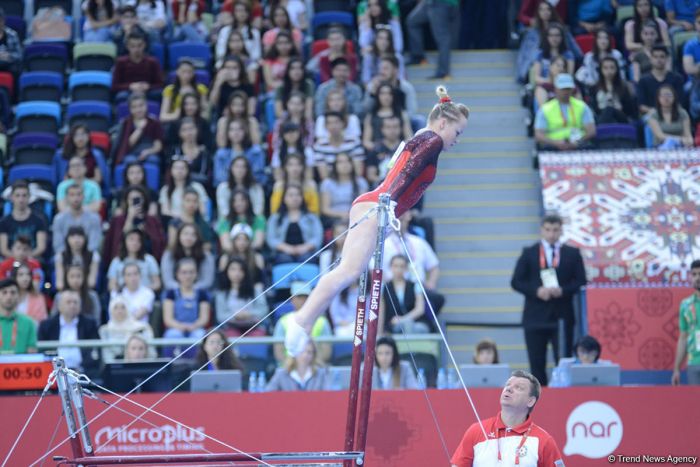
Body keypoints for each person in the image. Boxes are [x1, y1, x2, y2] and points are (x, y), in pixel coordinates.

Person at [286, 86, 469, 355]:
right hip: (376, 207)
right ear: (443, 123)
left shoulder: (423, 136)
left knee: (348, 270)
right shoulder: (432, 141)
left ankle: (304, 320)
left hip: (372, 204)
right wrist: (389, 203)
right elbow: (407, 172)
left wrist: (445, 102)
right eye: (458, 131)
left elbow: (401, 163)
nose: (457, 138)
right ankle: (301, 320)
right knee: (348, 271)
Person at [510, 214, 587, 386]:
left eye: (555, 230)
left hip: (562, 317)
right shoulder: (529, 253)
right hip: (535, 317)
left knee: (564, 361)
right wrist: (537, 291)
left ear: (561, 230)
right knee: (536, 364)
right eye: (548, 230)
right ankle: (540, 399)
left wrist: (562, 290)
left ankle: (564, 398)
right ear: (541, 230)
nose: (551, 234)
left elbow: (581, 280)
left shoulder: (572, 254)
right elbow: (516, 281)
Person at [450, 370, 564, 466]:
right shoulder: (476, 431)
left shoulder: (543, 440)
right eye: (508, 385)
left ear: (530, 401)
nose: (509, 389)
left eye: (518, 387)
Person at [38, 290, 100, 376]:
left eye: (75, 302)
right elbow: (41, 352)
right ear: (59, 306)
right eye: (68, 302)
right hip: (53, 373)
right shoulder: (47, 325)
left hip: (82, 373)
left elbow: (94, 352)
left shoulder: (89, 324)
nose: (72, 305)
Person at [103, 185, 167, 264]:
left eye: (138, 198)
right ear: (126, 201)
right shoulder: (117, 220)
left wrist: (144, 232)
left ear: (144, 200)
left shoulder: (152, 220)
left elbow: (158, 243)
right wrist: (130, 218)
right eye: (131, 199)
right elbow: (117, 242)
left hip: (148, 260)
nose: (134, 201)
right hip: (123, 261)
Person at [534, 73, 597, 151]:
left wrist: (577, 142)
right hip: (553, 147)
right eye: (563, 88)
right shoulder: (545, 109)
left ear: (572, 89)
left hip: (579, 145)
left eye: (568, 88)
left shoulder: (582, 106)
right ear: (556, 89)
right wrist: (555, 143)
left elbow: (591, 131)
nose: (566, 91)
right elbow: (539, 135)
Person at [274, 282, 332, 363]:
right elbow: (278, 351)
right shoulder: (283, 321)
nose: (303, 300)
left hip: (315, 369)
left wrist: (311, 368)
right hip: (289, 370)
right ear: (292, 299)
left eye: (306, 297)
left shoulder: (322, 321)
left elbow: (326, 351)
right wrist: (293, 368)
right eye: (299, 297)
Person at [266, 184, 323, 264]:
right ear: (284, 199)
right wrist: (286, 248)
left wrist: (305, 247)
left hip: (306, 251)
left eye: (298, 195)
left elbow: (317, 238)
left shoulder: (312, 217)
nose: (294, 198)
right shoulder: (275, 218)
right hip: (283, 252)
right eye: (291, 195)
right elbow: (271, 239)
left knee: (307, 259)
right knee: (284, 259)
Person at [162, 258, 211, 351]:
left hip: (195, 328)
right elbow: (168, 319)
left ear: (196, 274)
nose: (188, 276)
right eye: (184, 272)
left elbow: (204, 318)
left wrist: (193, 326)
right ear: (177, 274)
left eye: (191, 272)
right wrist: (180, 326)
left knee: (200, 335)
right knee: (173, 335)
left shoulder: (202, 294)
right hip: (176, 327)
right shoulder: (170, 294)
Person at [215, 257, 268, 337]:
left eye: (240, 270)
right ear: (227, 272)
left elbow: (263, 310)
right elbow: (220, 316)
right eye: (233, 269)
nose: (237, 273)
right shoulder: (221, 294)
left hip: (254, 326)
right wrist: (235, 315)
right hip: (230, 327)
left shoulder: (256, 291)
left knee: (258, 337)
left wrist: (248, 314)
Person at [406, 0, 459, 79]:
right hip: (430, 3)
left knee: (443, 37)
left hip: (441, 3)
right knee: (412, 21)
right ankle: (418, 56)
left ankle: (443, 72)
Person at [113, 93, 165, 168]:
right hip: (131, 153)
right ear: (130, 109)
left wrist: (148, 152)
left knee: (153, 160)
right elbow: (127, 145)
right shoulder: (126, 123)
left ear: (146, 105)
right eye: (134, 107)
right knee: (129, 161)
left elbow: (158, 146)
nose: (138, 110)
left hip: (149, 152)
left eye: (141, 106)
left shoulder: (154, 122)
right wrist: (139, 129)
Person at [379, 254, 428, 335]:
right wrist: (379, 334)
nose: (398, 269)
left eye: (402, 266)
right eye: (395, 266)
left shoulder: (415, 285)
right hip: (393, 326)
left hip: (416, 323)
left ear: (406, 269)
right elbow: (381, 312)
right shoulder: (384, 288)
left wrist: (403, 319)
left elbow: (420, 309)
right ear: (390, 267)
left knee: (408, 325)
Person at [0, 180, 48, 259]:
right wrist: (17, 259)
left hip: (32, 258)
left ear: (29, 197)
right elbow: (4, 249)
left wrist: (27, 257)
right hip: (11, 259)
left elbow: (41, 247)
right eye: (17, 195)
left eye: (24, 195)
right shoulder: (4, 222)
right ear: (12, 197)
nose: (21, 199)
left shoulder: (39, 220)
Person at [99, 295, 154, 363]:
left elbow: (151, 352)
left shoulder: (141, 327)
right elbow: (106, 354)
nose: (119, 311)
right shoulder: (105, 330)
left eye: (123, 307)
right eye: (116, 308)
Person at [161, 223, 216, 290]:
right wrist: (183, 290)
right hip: (174, 291)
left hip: (199, 291)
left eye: (193, 235)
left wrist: (191, 289)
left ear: (197, 237)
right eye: (185, 234)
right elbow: (168, 281)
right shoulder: (169, 254)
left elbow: (207, 281)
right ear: (179, 236)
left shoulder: (206, 256)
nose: (189, 238)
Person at [111, 32, 164, 102]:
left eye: (139, 46)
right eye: (133, 46)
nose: (136, 49)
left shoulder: (153, 61)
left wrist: (148, 86)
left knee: (159, 94)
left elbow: (161, 84)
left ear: (144, 45)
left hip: (148, 91)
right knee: (121, 96)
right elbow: (115, 86)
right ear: (127, 46)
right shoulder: (120, 62)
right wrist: (130, 86)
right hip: (128, 91)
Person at [51, 184, 102, 255]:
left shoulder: (94, 218)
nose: (76, 198)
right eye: (72, 195)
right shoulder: (59, 219)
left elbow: (94, 244)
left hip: (88, 256)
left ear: (83, 197)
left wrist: (83, 259)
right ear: (66, 198)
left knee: (96, 256)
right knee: (56, 258)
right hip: (65, 256)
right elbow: (58, 245)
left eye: (79, 194)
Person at [672, 260, 700, 385]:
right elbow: (683, 338)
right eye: (694, 274)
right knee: (695, 403)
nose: (698, 278)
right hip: (693, 363)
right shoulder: (686, 305)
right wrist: (677, 369)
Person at [637, 45, 684, 116]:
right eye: (655, 57)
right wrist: (658, 113)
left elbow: (680, 103)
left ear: (667, 59)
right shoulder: (643, 80)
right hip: (651, 115)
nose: (658, 60)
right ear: (650, 59)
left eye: (662, 57)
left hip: (673, 114)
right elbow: (641, 106)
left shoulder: (677, 78)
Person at [590, 57, 638, 124]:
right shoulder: (594, 87)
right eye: (605, 68)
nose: (609, 71)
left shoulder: (624, 87)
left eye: (612, 68)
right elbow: (594, 108)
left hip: (620, 117)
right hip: (601, 116)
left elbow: (630, 110)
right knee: (607, 110)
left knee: (610, 109)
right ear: (601, 70)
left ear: (617, 69)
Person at [160, 60, 209, 124]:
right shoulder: (169, 90)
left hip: (196, 122)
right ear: (177, 72)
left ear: (194, 73)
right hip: (176, 122)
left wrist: (196, 117)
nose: (186, 75)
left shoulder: (201, 89)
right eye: (183, 72)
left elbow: (206, 112)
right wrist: (177, 114)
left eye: (189, 72)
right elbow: (163, 116)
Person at [54, 226, 100, 291]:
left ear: (85, 239)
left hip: (86, 291)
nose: (76, 240)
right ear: (67, 239)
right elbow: (59, 283)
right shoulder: (60, 256)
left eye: (80, 236)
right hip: (66, 290)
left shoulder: (94, 256)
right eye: (72, 236)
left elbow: (92, 282)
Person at [647, 84, 693, 149]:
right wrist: (679, 139)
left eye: (669, 95)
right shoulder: (653, 115)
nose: (666, 98)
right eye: (663, 95)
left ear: (674, 97)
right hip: (660, 146)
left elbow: (688, 134)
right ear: (658, 98)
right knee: (669, 143)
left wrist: (689, 141)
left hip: (680, 146)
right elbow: (660, 136)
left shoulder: (683, 113)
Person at [0, 279, 37, 354]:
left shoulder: (29, 323)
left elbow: (32, 353)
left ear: (18, 296)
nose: (9, 296)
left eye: (13, 292)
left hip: (21, 365)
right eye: (4, 292)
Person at [0, 8, 22, 78]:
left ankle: (13, 89)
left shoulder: (12, 34)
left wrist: (9, 56)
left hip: (8, 63)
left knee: (15, 69)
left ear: (3, 21)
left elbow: (19, 55)